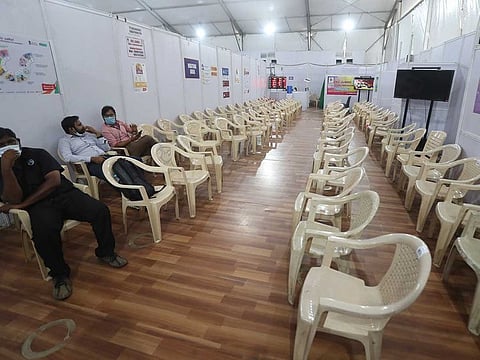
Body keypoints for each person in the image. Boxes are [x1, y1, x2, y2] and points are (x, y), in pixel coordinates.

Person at [0, 127, 127, 300]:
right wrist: (6, 170)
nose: (8, 148)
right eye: (2, 145)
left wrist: (24, 204)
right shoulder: (1, 169)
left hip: (64, 194)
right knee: (43, 234)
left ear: (18, 141)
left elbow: (54, 181)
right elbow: (13, 198)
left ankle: (106, 252)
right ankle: (59, 274)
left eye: (10, 142)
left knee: (100, 210)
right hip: (39, 206)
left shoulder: (37, 154)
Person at [58, 115, 111, 181]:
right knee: (111, 174)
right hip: (90, 164)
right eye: (79, 125)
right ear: (71, 129)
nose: (83, 126)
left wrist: (97, 133)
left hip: (105, 157)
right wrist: (91, 159)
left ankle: (126, 188)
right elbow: (67, 157)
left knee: (124, 161)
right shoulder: (65, 141)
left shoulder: (87, 136)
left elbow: (107, 149)